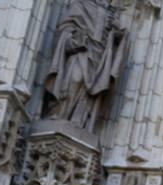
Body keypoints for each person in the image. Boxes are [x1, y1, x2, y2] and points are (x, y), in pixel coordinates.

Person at [42, 0, 126, 133]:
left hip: (100, 56)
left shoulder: (110, 13)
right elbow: (65, 28)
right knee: (76, 78)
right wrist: (73, 41)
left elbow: (115, 37)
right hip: (82, 51)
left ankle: (79, 123)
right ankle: (60, 113)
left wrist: (117, 32)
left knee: (90, 93)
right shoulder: (81, 4)